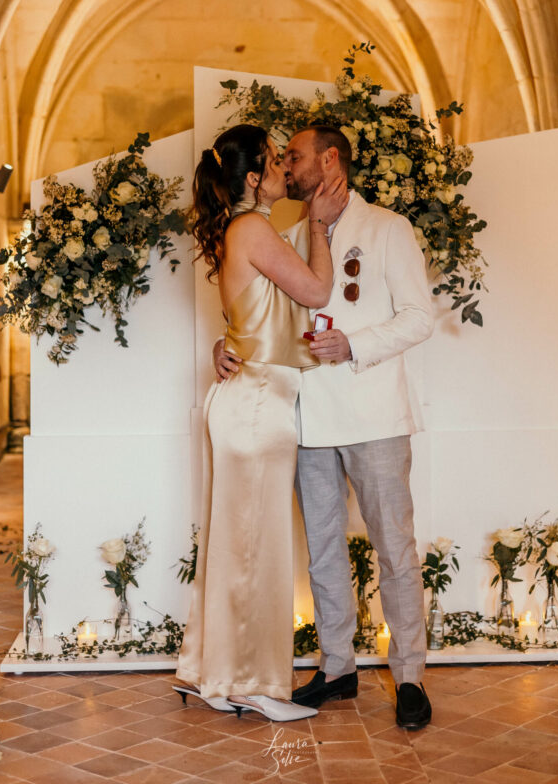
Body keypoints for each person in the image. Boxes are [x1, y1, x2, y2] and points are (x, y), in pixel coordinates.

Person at [215, 124, 434, 730]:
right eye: (281, 158)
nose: (287, 165)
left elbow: (420, 318)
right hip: (307, 417)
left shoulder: (388, 228)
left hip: (375, 413)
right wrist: (222, 345)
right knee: (323, 551)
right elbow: (256, 314)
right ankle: (338, 666)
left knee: (394, 546)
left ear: (329, 159)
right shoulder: (284, 233)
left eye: (295, 156)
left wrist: (354, 344)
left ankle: (409, 673)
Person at [173, 123, 347, 723]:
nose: (284, 169)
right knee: (256, 545)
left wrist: (225, 342)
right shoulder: (255, 228)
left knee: (235, 544)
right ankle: (249, 683)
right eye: (275, 162)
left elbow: (254, 316)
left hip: (248, 398)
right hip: (257, 405)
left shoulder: (242, 229)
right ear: (254, 179)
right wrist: (320, 224)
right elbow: (318, 290)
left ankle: (213, 671)